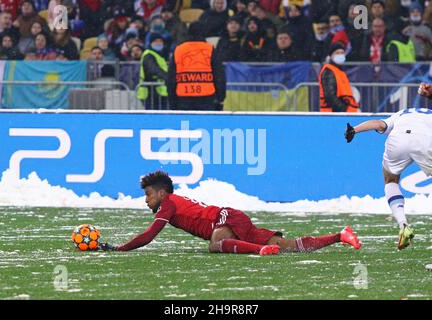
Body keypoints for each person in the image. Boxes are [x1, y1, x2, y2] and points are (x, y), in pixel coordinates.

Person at [98, 170, 361, 254]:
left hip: (225, 218)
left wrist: (118, 248)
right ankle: (340, 235)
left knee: (216, 245)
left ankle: (259, 250)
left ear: (162, 193)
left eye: (148, 194)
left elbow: (149, 235)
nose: (146, 200)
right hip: (234, 218)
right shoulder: (173, 201)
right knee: (289, 246)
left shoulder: (168, 204)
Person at [343, 83, 432, 249]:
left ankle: (403, 225)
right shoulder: (429, 115)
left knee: (390, 179)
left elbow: (379, 124)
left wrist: (354, 129)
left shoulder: (399, 115)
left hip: (398, 140)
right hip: (425, 140)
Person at [168, 21, 226, 111]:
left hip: (183, 98)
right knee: (205, 124)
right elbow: (219, 75)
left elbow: (171, 78)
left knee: (185, 124)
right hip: (206, 98)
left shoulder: (179, 49)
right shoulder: (209, 49)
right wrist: (220, 97)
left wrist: (172, 100)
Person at [318, 42, 359, 112]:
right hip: (334, 113)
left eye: (342, 52)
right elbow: (330, 96)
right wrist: (344, 109)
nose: (340, 55)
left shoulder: (339, 71)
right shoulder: (329, 71)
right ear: (331, 56)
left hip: (340, 113)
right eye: (337, 53)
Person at [137, 33, 169, 110]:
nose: (158, 43)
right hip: (150, 92)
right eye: (156, 41)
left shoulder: (159, 55)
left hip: (158, 91)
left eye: (160, 41)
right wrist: (167, 77)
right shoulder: (149, 55)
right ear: (151, 43)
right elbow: (153, 69)